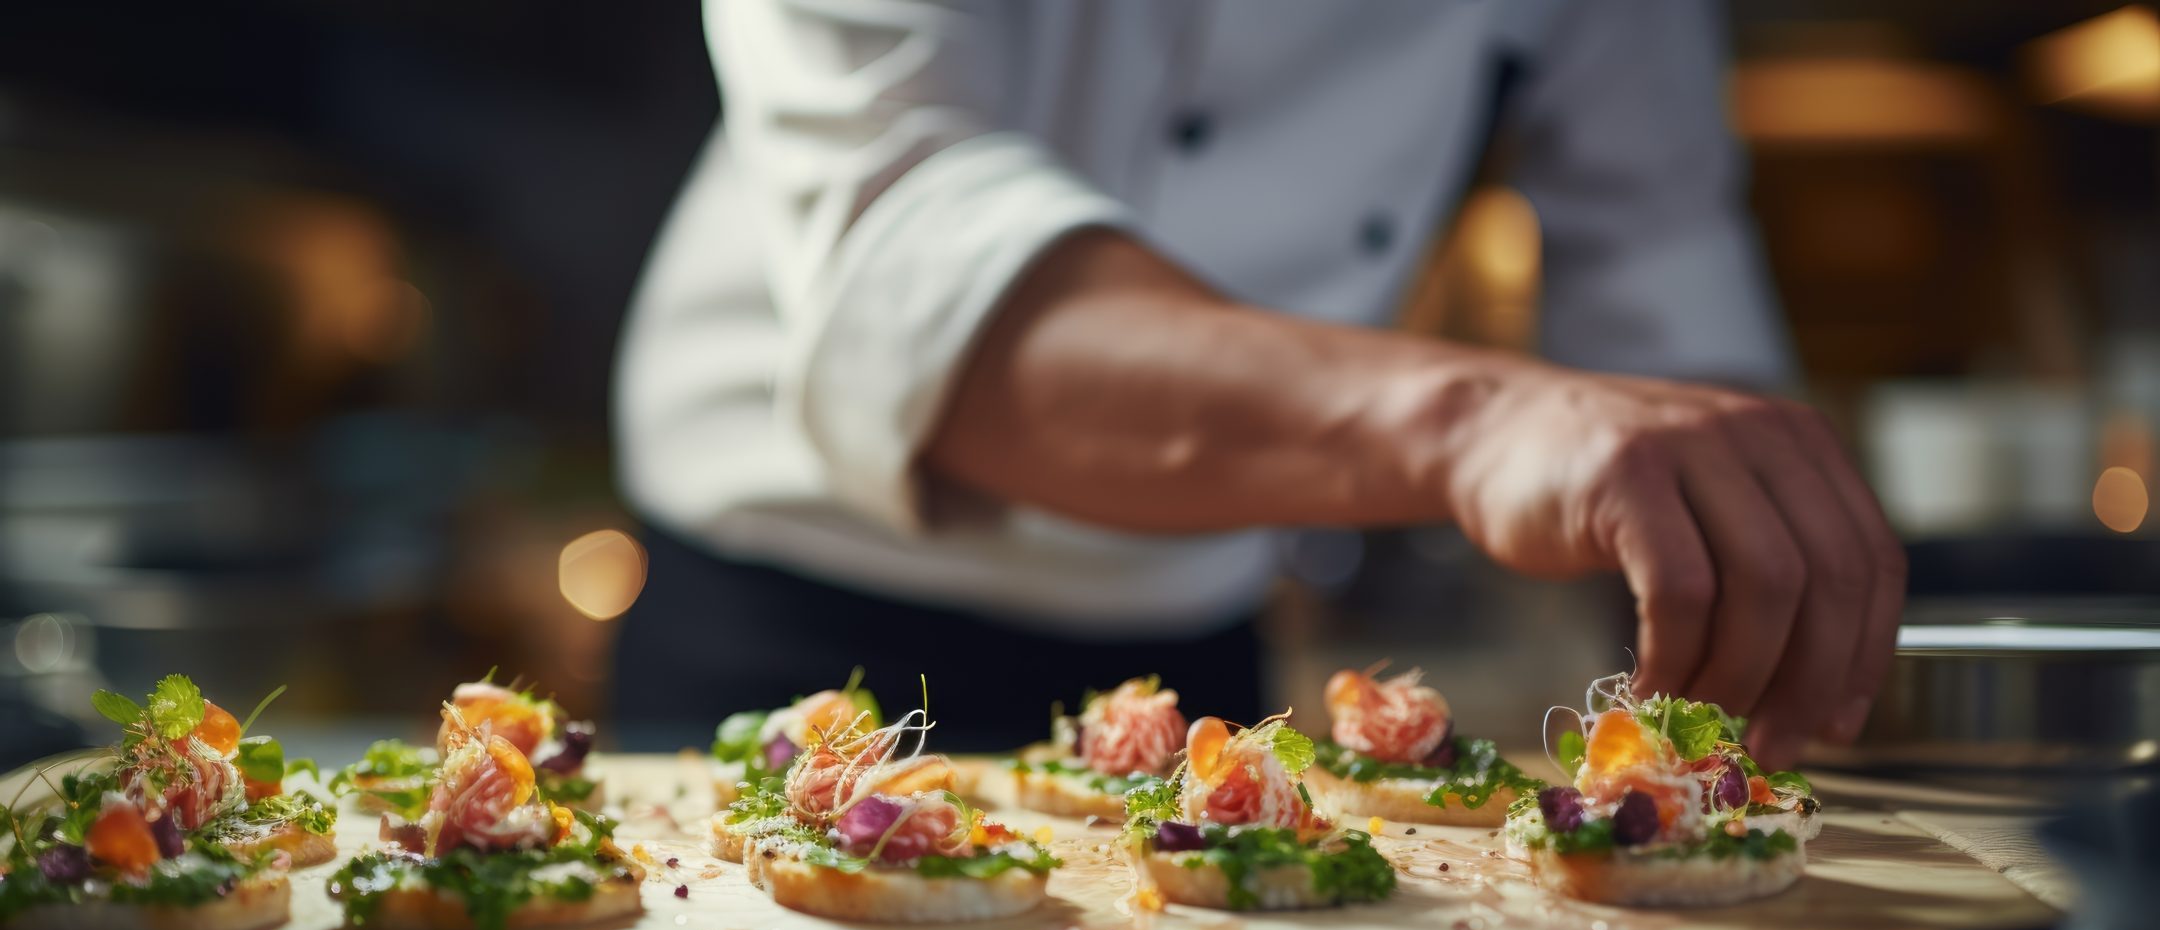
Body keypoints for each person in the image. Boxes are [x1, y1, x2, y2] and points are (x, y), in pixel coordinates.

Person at [613, 0, 1904, 764]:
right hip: (786, 622)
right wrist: (1479, 421)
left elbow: (1661, 244)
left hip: (1192, 640)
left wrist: (1742, 561)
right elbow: (934, 288)